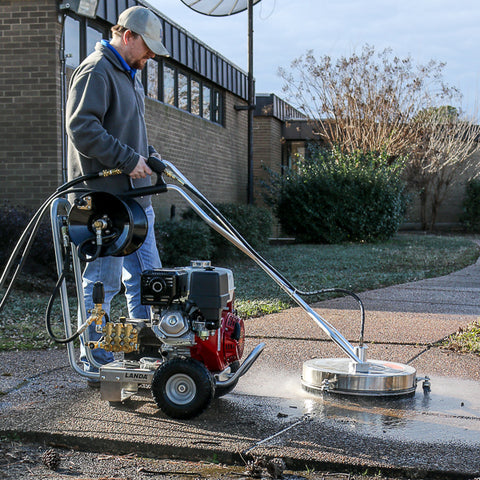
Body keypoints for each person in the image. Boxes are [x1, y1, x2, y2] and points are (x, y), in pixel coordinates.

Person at [65, 6, 169, 380]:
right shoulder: (96, 70)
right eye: (147, 48)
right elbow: (82, 128)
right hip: (105, 202)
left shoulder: (130, 76)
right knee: (103, 282)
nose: (150, 57)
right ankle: (96, 356)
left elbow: (131, 135)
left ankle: (150, 348)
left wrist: (152, 158)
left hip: (136, 201)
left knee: (150, 281)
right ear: (128, 36)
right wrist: (128, 160)